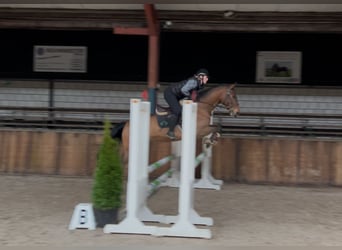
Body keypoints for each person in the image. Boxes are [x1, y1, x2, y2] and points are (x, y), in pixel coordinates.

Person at [164, 68, 210, 139]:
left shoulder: (199, 84)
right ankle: (170, 131)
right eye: (206, 77)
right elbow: (184, 90)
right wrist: (190, 97)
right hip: (170, 93)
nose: (207, 79)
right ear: (201, 77)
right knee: (178, 110)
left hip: (176, 95)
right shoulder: (194, 82)